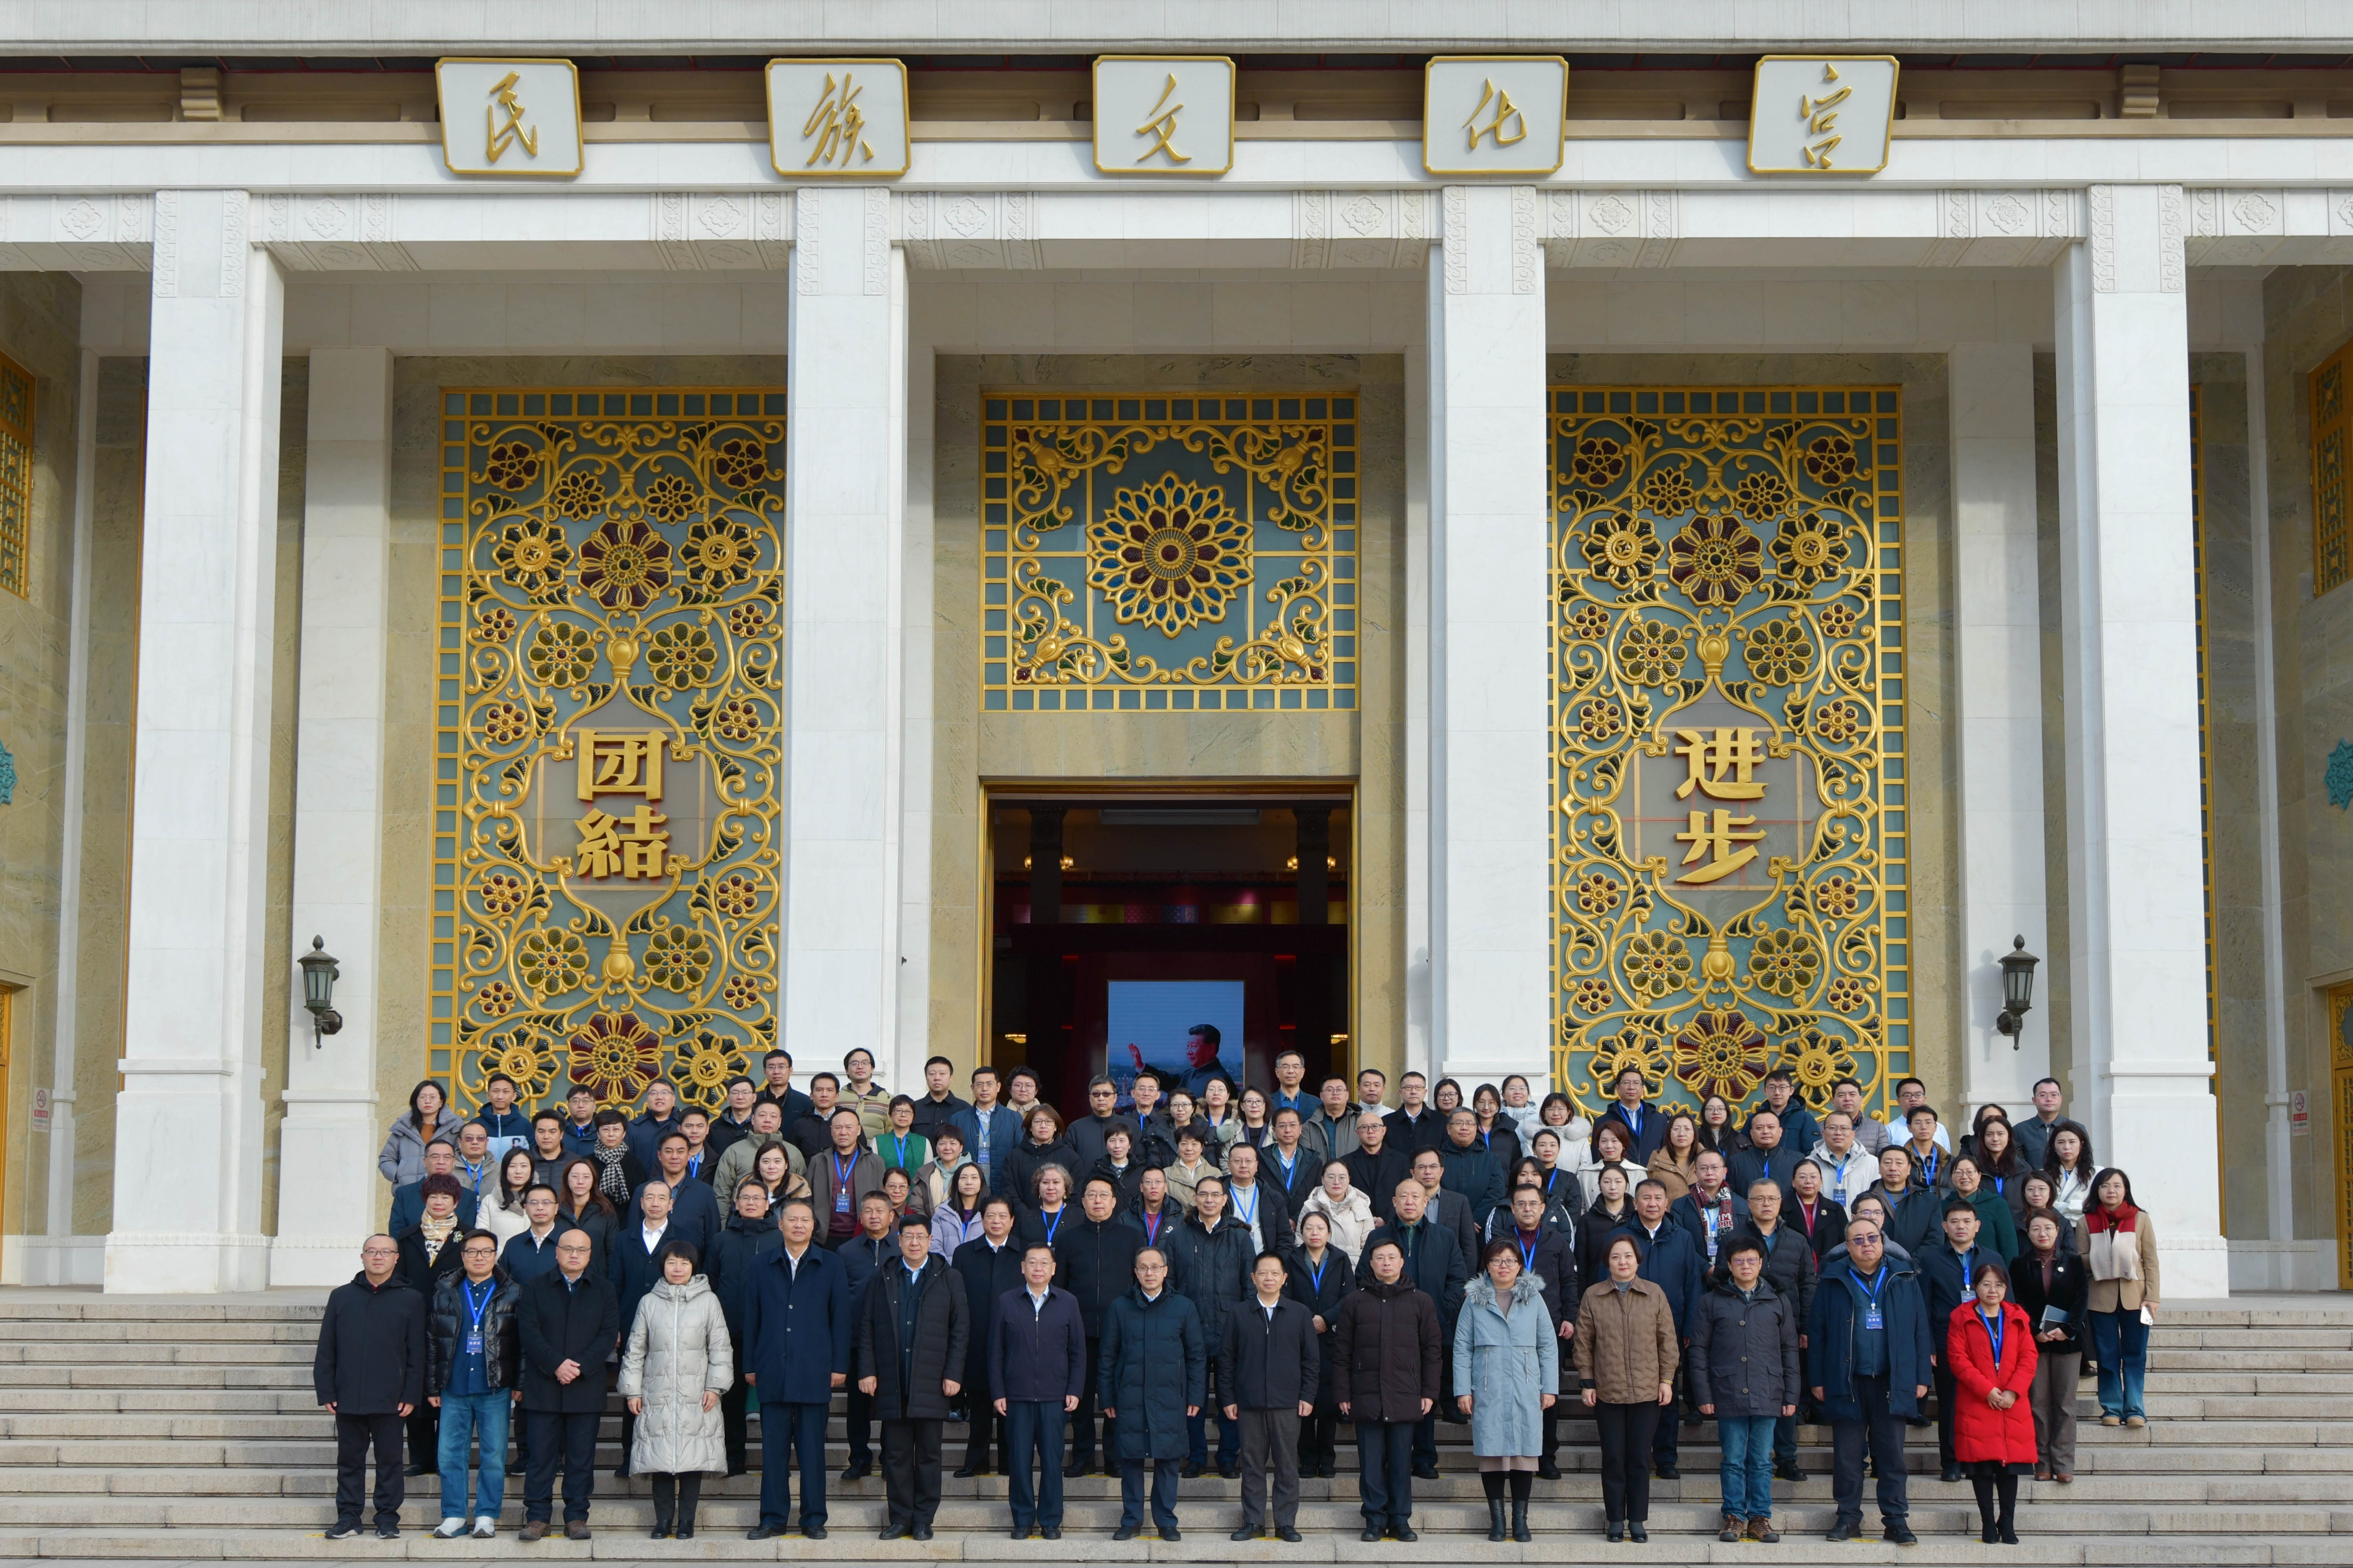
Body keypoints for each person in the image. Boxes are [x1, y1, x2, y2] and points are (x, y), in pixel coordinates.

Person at [1808, 1217, 1932, 1544]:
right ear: (1847, 1247)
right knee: (1847, 1457)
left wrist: (1921, 1376)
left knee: (1891, 1455)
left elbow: (1921, 1329)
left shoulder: (1904, 1276)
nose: (1866, 1244)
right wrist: (1817, 1378)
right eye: (1858, 1239)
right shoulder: (1832, 1279)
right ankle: (1848, 1517)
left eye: (1872, 1238)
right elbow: (1817, 1333)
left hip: (1892, 1380)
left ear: (1882, 1240)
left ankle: (1895, 1520)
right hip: (1845, 1380)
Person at [743, 1198, 851, 1540]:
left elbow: (841, 1319)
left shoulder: (831, 1264)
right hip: (772, 1367)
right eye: (792, 1219)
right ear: (780, 1224)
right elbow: (752, 1319)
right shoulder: (761, 1265)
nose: (799, 1225)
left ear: (813, 1226)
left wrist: (839, 1365)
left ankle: (813, 1517)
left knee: (812, 1451)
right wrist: (749, 1364)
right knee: (773, 1451)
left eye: (806, 1220)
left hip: (814, 1369)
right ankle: (772, 1518)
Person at [855, 1214, 968, 1541]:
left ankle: (923, 1519)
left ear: (931, 1240)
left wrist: (953, 1373)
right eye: (908, 1236)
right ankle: (900, 1517)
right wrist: (867, 1369)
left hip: (933, 1380)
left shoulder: (949, 1277)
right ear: (899, 1239)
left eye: (921, 1236)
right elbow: (867, 1326)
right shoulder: (884, 1276)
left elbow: (960, 1330)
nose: (915, 1242)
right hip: (893, 1379)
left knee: (930, 1454)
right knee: (896, 1453)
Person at [313, 1235, 427, 1541]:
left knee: (390, 1462)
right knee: (349, 1461)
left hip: (392, 1399)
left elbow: (418, 1352)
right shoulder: (342, 1296)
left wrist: (410, 1394)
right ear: (362, 1257)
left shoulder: (411, 1298)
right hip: (348, 1396)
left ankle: (387, 1518)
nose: (379, 1257)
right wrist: (327, 1391)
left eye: (386, 1251)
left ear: (396, 1258)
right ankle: (349, 1517)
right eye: (372, 1251)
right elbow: (327, 1348)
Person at [616, 1240, 729, 1539]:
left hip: (697, 1393)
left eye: (684, 1263)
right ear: (662, 1265)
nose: (677, 1268)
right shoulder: (648, 1302)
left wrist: (715, 1386)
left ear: (693, 1267)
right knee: (660, 1459)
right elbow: (635, 1349)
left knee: (693, 1459)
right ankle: (663, 1520)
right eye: (671, 1262)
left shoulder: (709, 1301)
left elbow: (720, 1348)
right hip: (658, 1391)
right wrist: (633, 1390)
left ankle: (687, 1521)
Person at [1691, 1235, 1800, 1544]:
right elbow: (1698, 1350)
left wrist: (1792, 1394)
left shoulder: (1777, 1299)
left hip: (1768, 1389)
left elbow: (1790, 1349)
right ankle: (1734, 1515)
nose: (1745, 1265)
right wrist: (1703, 1395)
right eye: (1739, 1260)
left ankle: (1760, 1517)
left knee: (1763, 1460)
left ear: (1762, 1263)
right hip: (1727, 1389)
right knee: (1733, 1459)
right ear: (1728, 1264)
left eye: (1752, 1260)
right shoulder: (1712, 1300)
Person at [1358, 1178, 1468, 1480]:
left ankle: (1423, 1457)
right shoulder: (1378, 1236)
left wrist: (1438, 1311)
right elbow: (1362, 1277)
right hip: (1383, 1329)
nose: (1409, 1201)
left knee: (1424, 1394)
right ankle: (1386, 1458)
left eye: (1415, 1196)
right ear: (1393, 1202)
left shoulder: (1444, 1236)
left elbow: (1457, 1279)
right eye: (1403, 1195)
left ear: (1425, 1202)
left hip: (1431, 1327)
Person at [514, 1229, 619, 1541]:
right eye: (568, 1248)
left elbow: (608, 1334)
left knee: (580, 1457)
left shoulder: (604, 1289)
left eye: (582, 1249)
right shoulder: (534, 1288)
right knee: (540, 1457)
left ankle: (576, 1516)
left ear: (590, 1254)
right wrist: (556, 1364)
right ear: (556, 1252)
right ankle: (537, 1516)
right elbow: (529, 1332)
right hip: (543, 1384)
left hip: (585, 1386)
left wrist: (580, 1367)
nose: (575, 1254)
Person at [1574, 1233, 1677, 1543]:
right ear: (1607, 1261)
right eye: (1616, 1256)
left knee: (1639, 1458)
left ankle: (1637, 1520)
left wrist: (1667, 1379)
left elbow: (1667, 1341)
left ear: (1637, 1260)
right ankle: (1615, 1519)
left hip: (1647, 1391)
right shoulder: (1593, 1295)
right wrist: (1587, 1381)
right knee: (1613, 1458)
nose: (1622, 1262)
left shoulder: (1654, 1293)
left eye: (1628, 1256)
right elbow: (1583, 1341)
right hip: (1607, 1390)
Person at [1334, 1237, 1439, 1541]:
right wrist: (1343, 1393)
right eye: (1380, 1258)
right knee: (1370, 1462)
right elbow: (1342, 1352)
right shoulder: (1355, 1301)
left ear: (1402, 1261)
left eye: (1392, 1257)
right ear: (1371, 1262)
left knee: (1400, 1461)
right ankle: (1373, 1519)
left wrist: (1429, 1392)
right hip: (1365, 1393)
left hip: (1405, 1393)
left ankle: (1400, 1519)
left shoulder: (1421, 1300)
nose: (1386, 1263)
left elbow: (1432, 1351)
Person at [1454, 1239, 1558, 1543]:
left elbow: (1548, 1345)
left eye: (1510, 1261)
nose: (1503, 1266)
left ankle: (1520, 1521)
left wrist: (1549, 1387)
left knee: (1525, 1455)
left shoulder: (1533, 1298)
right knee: (1491, 1454)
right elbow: (1462, 1347)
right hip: (1488, 1386)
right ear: (1487, 1265)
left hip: (1525, 1385)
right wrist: (1463, 1389)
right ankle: (1497, 1521)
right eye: (1497, 1260)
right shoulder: (1474, 1300)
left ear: (1519, 1265)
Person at [1098, 1248, 1206, 1542]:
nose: (1149, 1273)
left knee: (1168, 1460)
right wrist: (1107, 1397)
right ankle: (1131, 1519)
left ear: (1165, 1270)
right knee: (1131, 1459)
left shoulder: (1183, 1307)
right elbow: (1107, 1357)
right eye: (1143, 1268)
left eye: (1155, 1267)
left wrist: (1196, 1396)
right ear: (1135, 1272)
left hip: (1170, 1396)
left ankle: (1166, 1520)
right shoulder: (1120, 1307)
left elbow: (1197, 1356)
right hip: (1129, 1397)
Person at [1216, 1251, 1318, 1543]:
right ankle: (1253, 1521)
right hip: (1249, 1403)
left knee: (1287, 1464)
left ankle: (1285, 1522)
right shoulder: (1239, 1313)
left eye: (1275, 1273)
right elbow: (1226, 1361)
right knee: (1251, 1464)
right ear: (1253, 1278)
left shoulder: (1299, 1313)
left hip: (1288, 1402)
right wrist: (1228, 1398)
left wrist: (1308, 1395)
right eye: (1263, 1273)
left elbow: (1311, 1360)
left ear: (1285, 1278)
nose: (1269, 1278)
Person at [423, 1228, 518, 1539]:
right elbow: (433, 1342)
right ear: (463, 1256)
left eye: (486, 1251)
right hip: (454, 1386)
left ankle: (486, 1515)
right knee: (450, 1454)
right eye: (472, 1252)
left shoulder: (512, 1292)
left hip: (495, 1387)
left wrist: (520, 1383)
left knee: (493, 1455)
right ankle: (453, 1515)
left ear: (496, 1256)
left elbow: (522, 1344)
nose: (479, 1257)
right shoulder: (445, 1291)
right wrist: (433, 1386)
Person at [991, 1242, 1086, 1539]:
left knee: (1052, 1461)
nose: (1038, 1268)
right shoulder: (1006, 1301)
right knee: (1018, 1462)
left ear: (1053, 1269)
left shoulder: (1068, 1301)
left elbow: (1078, 1352)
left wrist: (1074, 1388)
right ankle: (1022, 1520)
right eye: (1032, 1263)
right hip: (1016, 1397)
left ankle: (1050, 1520)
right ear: (1022, 1267)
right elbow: (995, 1351)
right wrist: (998, 1391)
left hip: (1054, 1396)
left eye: (1044, 1263)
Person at [1486, 1183, 1580, 1478]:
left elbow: (1569, 1281)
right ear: (1512, 1209)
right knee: (1507, 1392)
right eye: (1521, 1204)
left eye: (1533, 1204)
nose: (1527, 1209)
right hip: (1506, 1328)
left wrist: (1570, 1316)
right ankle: (1507, 1454)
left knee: (1547, 1394)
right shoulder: (1501, 1244)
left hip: (1549, 1327)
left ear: (1543, 1208)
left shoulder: (1556, 1240)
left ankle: (1546, 1455)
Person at [1168, 1173, 1255, 1478]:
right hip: (1190, 1331)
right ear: (1194, 1199)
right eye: (1203, 1194)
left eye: (1215, 1195)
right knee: (1193, 1399)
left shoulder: (1240, 1237)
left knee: (1230, 1396)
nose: (1208, 1200)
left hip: (1231, 1329)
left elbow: (1250, 1284)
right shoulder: (1178, 1237)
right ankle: (1196, 1456)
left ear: (1224, 1199)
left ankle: (1228, 1456)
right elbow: (1170, 1284)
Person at [1058, 1175, 1144, 1477]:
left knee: (1117, 1397)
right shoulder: (1067, 1240)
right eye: (1091, 1195)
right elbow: (1060, 1287)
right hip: (1079, 1334)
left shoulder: (1132, 1237)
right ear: (1081, 1201)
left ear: (1114, 1201)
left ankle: (1115, 1456)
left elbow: (1140, 1286)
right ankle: (1082, 1456)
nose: (1097, 1200)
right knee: (1079, 1398)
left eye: (1103, 1195)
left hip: (1120, 1333)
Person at [1615, 1178, 1701, 1478]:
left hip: (1671, 1330)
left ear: (1667, 1203)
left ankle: (1666, 1457)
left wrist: (1689, 1325)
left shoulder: (1683, 1237)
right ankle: (1632, 1455)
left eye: (1658, 1198)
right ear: (1635, 1203)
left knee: (1666, 1394)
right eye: (1646, 1198)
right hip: (1625, 1331)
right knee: (1628, 1395)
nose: (1652, 1203)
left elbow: (1692, 1284)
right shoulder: (1620, 1237)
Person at [1950, 1258, 2037, 1543]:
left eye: (1998, 1285)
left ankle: (2007, 1522)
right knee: (1982, 1467)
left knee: (2009, 1468)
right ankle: (1988, 1522)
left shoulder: (2017, 1316)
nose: (1992, 1290)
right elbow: (1958, 1359)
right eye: (1986, 1284)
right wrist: (1986, 1389)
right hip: (1978, 1401)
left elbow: (2028, 1357)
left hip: (2013, 1403)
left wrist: (2013, 1391)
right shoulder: (1961, 1317)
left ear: (2005, 1288)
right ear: (1975, 1286)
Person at [392, 1173, 467, 1475]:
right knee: (417, 1386)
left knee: (448, 1388)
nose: (439, 1202)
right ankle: (421, 1457)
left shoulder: (468, 1236)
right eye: (433, 1196)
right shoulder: (408, 1236)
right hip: (415, 1320)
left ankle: (445, 1456)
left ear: (456, 1202)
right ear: (425, 1199)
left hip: (455, 1322)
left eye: (445, 1197)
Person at [705, 1180, 779, 1477]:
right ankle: (734, 1456)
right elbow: (711, 1282)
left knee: (773, 1398)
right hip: (729, 1332)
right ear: (735, 1203)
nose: (750, 1202)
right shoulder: (722, 1239)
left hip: (771, 1333)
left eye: (757, 1198)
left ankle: (775, 1460)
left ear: (767, 1203)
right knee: (731, 1400)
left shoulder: (779, 1238)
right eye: (744, 1197)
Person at [1918, 1195, 1994, 1482]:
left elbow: (2006, 1304)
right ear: (1944, 1227)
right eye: (1954, 1222)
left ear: (1977, 1226)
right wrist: (1927, 1346)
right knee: (1950, 1403)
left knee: (1981, 1402)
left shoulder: (1992, 1259)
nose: (1960, 1226)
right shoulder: (1931, 1260)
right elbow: (1923, 1306)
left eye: (1966, 1221)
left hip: (1986, 1344)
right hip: (1946, 1342)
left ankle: (1976, 1459)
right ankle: (1950, 1462)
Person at [2011, 1208, 2086, 1482]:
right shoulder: (2018, 1264)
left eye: (2048, 1229)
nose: (2042, 1234)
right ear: (2028, 1233)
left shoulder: (2074, 1262)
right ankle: (2041, 1461)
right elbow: (2016, 1302)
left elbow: (2081, 1299)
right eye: (2035, 1229)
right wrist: (2034, 1331)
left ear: (2058, 1232)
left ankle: (2064, 1462)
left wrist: (2067, 1330)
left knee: (2065, 1403)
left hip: (2067, 1342)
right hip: (2034, 1343)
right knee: (2038, 1402)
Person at [952, 1197, 1024, 1477]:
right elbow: (956, 1299)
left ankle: (1010, 1463)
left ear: (1012, 1220)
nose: (996, 1221)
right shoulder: (965, 1253)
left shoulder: (1025, 1252)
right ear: (981, 1220)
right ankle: (976, 1461)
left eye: (1002, 1216)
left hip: (1016, 1342)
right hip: (978, 1338)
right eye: (990, 1215)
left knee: (1012, 1408)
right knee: (980, 1406)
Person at [2084, 1166, 2160, 1428]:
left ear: (2125, 1190)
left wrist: (2154, 1297)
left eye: (2117, 1185)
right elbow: (2080, 1260)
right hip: (2099, 1299)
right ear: (2097, 1190)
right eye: (2105, 1186)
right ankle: (2112, 1407)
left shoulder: (2141, 1219)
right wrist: (2100, 1256)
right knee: (2106, 1356)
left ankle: (2135, 1408)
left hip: (2140, 1299)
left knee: (2136, 1354)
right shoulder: (2086, 1220)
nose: (2111, 1191)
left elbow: (2151, 1262)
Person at [1284, 1211, 1353, 1479]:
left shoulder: (1340, 1258)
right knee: (1304, 1399)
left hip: (1331, 1337)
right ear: (1301, 1232)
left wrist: (1325, 1319)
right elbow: (1286, 1294)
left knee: (1326, 1402)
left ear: (1328, 1232)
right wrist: (1306, 1321)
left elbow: (1348, 1295)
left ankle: (1327, 1458)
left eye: (1320, 1228)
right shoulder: (1291, 1258)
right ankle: (1306, 1458)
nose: (1315, 1232)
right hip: (1299, 1338)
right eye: (1309, 1227)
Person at [813, 1107, 891, 1244]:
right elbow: (809, 1199)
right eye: (838, 1128)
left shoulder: (875, 1162)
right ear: (831, 1130)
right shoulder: (818, 1161)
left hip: (863, 1236)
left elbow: (882, 1199)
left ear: (859, 1130)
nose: (843, 1132)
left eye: (849, 1127)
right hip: (824, 1237)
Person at [1671, 1147, 1750, 1271]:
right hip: (1695, 1272)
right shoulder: (1681, 1206)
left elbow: (1748, 1243)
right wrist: (1705, 1268)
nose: (1710, 1173)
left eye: (1715, 1168)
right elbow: (1679, 1243)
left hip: (1733, 1273)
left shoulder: (1742, 1205)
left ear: (1725, 1172)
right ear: (1696, 1173)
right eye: (1704, 1168)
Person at [951, 1065, 1023, 1195]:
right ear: (972, 1088)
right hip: (968, 1189)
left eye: (990, 1084)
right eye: (980, 1085)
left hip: (1004, 1186)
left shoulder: (1014, 1119)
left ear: (999, 1087)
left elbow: (1020, 1155)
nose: (985, 1089)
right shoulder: (958, 1119)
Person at [379, 1080, 461, 1190]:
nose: (428, 1101)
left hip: (445, 1190)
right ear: (416, 1101)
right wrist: (399, 1174)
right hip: (408, 1190)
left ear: (441, 1102)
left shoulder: (455, 1127)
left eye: (433, 1097)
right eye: (423, 1097)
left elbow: (463, 1157)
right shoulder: (403, 1128)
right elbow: (386, 1158)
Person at [388, 1140, 480, 1239]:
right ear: (425, 1162)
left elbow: (468, 1236)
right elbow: (396, 1234)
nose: (441, 1162)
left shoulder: (467, 1196)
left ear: (454, 1163)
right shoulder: (405, 1194)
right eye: (435, 1157)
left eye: (447, 1157)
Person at [1437, 1108, 1508, 1231]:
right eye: (1459, 1123)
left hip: (1481, 1227)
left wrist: (1471, 1221)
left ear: (1476, 1129)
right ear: (1449, 1129)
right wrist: (1457, 1221)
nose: (1464, 1128)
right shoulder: (1437, 1160)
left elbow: (1497, 1193)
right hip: (1445, 1227)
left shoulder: (1490, 1159)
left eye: (1470, 1124)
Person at [551, 1156, 618, 1282]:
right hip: (560, 1281)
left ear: (594, 1181)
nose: (580, 1182)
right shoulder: (556, 1211)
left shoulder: (605, 1211)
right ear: (567, 1180)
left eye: (586, 1177)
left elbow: (613, 1253)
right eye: (575, 1177)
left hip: (596, 1281)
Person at [1298, 1159, 1376, 1264]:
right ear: (1322, 1179)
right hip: (1319, 1269)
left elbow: (1370, 1246)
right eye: (1331, 1177)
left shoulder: (1361, 1206)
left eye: (1342, 1178)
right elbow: (1300, 1243)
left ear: (1349, 1180)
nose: (1337, 1182)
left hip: (1355, 1270)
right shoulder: (1310, 1207)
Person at [1004, 1104, 1082, 1209]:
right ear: (1030, 1127)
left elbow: (1077, 1194)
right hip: (1023, 1221)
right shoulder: (1014, 1157)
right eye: (1038, 1122)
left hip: (1062, 1221)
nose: (1043, 1126)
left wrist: (1062, 1216)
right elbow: (1009, 1192)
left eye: (1049, 1122)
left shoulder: (1070, 1157)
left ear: (1055, 1127)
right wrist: (1026, 1215)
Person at [1343, 1111, 1410, 1224]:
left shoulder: (1401, 1160)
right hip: (1358, 1223)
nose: (1371, 1131)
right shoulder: (1346, 1162)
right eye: (1364, 1128)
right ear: (1357, 1133)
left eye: (1375, 1127)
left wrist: (1386, 1218)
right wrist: (1368, 1219)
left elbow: (1406, 1192)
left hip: (1394, 1223)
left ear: (1384, 1131)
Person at [1728, 1108, 1805, 1202]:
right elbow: (1732, 1197)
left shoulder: (1797, 1161)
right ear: (1752, 1134)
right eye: (1759, 1128)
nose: (1766, 1132)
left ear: (1780, 1132)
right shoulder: (1736, 1162)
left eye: (1771, 1127)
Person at [1263, 1107, 1325, 1215]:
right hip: (1271, 1223)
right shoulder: (1262, 1159)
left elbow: (1318, 1197)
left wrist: (1297, 1219)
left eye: (1293, 1125)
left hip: (1305, 1222)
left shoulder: (1314, 1162)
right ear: (1274, 1130)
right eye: (1282, 1126)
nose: (1288, 1130)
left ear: (1301, 1129)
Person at [500, 1186, 567, 1284]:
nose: (540, 1208)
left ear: (556, 1208)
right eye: (534, 1203)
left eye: (546, 1203)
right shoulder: (513, 1245)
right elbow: (503, 1284)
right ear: (526, 1209)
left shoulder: (567, 1243)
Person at [478, 1147, 540, 1247]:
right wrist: (502, 1257)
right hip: (498, 1261)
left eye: (524, 1166)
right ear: (505, 1170)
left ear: (532, 1170)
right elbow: (481, 1237)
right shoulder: (489, 1201)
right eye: (512, 1166)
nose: (518, 1171)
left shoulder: (542, 1203)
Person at [928, 1160, 989, 1260]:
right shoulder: (943, 1213)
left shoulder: (989, 1214)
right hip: (947, 1272)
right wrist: (948, 1271)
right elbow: (934, 1246)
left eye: (974, 1178)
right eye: (964, 1178)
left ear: (982, 1183)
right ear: (956, 1183)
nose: (969, 1182)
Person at [1154, 1021, 1232, 1100]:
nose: (1189, 1052)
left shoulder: (1222, 1081)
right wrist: (1142, 1066)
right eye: (1188, 1047)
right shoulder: (1190, 1074)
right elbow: (1169, 1082)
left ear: (1211, 1049)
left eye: (1194, 1047)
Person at [1580, 1120, 1648, 1205]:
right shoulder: (1587, 1174)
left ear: (1624, 1144)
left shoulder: (1638, 1173)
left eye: (1615, 1141)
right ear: (1598, 1145)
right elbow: (1582, 1207)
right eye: (1604, 1141)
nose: (1609, 1146)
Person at [2045, 1120, 2097, 1227]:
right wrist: (2081, 1205)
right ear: (2054, 1147)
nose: (2067, 1147)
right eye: (2061, 1142)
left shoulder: (2097, 1173)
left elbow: (2095, 1205)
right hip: (2055, 1228)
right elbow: (2046, 1206)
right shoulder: (2044, 1175)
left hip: (2087, 1227)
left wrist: (2062, 1207)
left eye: (2072, 1142)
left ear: (2081, 1145)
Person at [623, 1080, 685, 1170]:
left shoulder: (684, 1125)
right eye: (654, 1093)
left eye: (665, 1093)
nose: (659, 1097)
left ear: (674, 1098)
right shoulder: (633, 1128)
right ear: (647, 1100)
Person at [1383, 1071, 1446, 1153]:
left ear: (1425, 1092)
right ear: (1401, 1093)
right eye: (1408, 1088)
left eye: (1419, 1088)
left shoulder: (1441, 1121)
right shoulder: (1387, 1122)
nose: (1414, 1092)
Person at [1645, 1112, 1702, 1201]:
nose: (1682, 1134)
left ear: (1695, 1135)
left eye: (1687, 1129)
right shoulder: (1657, 1161)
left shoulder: (1707, 1161)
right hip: (1667, 1215)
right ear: (1669, 1134)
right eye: (1676, 1129)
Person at [2013, 1078, 2067, 1171]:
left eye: (2054, 1095)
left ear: (2061, 1099)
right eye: (2043, 1095)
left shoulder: (2076, 1129)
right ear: (2034, 1100)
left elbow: (2086, 1161)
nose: (2049, 1099)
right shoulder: (2019, 1131)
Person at [839, 1048, 892, 1142]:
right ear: (847, 1070)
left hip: (875, 1155)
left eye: (865, 1063)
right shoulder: (837, 1098)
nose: (860, 1067)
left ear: (872, 1069)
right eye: (855, 1064)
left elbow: (891, 1132)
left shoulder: (887, 1100)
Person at [754, 1048, 815, 1129]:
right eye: (771, 1067)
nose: (776, 1072)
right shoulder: (755, 1100)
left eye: (782, 1067)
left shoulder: (805, 1102)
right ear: (765, 1072)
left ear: (791, 1070)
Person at [1165, 1125, 1218, 1214]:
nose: (1189, 1149)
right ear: (1177, 1147)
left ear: (1202, 1148)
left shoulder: (1216, 1174)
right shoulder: (1165, 1175)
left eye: (1194, 1144)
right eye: (1184, 1144)